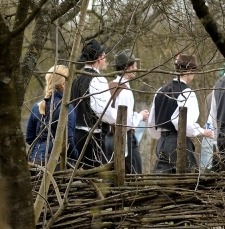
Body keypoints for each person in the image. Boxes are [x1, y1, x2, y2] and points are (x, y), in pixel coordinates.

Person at [148, 53, 214, 173]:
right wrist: (202, 131)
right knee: (189, 180)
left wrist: (162, 137)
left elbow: (152, 122)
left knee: (162, 180)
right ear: (189, 70)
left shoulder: (160, 91)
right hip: (177, 143)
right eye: (194, 71)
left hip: (161, 143)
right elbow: (181, 123)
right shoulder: (187, 93)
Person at [71, 39, 117, 169]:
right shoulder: (98, 80)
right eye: (104, 56)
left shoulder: (76, 79)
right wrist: (118, 118)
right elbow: (103, 111)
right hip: (92, 137)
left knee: (77, 176)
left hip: (75, 135)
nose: (105, 59)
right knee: (92, 179)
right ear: (99, 58)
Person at [103, 49, 149, 174]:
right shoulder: (126, 92)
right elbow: (126, 123)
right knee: (133, 178)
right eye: (135, 65)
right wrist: (139, 116)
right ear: (129, 67)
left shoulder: (109, 86)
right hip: (124, 139)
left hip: (109, 138)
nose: (136, 68)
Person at [25, 65, 78, 166]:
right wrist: (76, 156)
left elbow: (29, 138)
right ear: (63, 85)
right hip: (55, 163)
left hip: (35, 160)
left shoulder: (37, 106)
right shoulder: (66, 107)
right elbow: (68, 140)